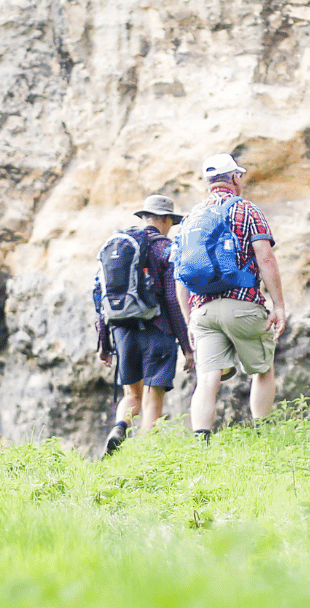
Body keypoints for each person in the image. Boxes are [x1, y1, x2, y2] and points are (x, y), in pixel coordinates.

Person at [175, 154, 287, 441]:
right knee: (262, 369)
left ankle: (202, 442)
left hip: (203, 311)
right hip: (243, 305)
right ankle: (264, 436)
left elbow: (180, 275)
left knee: (207, 378)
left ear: (208, 183)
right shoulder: (247, 210)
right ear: (235, 178)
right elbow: (266, 257)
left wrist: (189, 321)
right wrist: (279, 305)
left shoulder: (190, 219)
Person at [93, 194, 193, 456]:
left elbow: (99, 295)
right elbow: (173, 299)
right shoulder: (165, 250)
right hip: (157, 331)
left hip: (123, 332)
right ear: (166, 219)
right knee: (153, 399)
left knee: (132, 395)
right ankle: (146, 456)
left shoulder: (119, 248)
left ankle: (119, 427)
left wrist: (104, 343)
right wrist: (187, 346)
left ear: (144, 217)